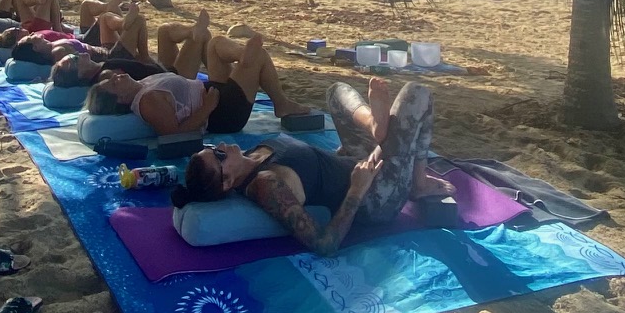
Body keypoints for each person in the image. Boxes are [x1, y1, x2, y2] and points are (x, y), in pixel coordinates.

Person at [171, 77, 451, 255]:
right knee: (417, 93)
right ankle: (417, 182)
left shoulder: (249, 156)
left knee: (336, 92)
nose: (220, 147)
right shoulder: (266, 185)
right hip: (376, 194)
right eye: (219, 157)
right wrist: (356, 190)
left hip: (353, 162)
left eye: (213, 148)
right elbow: (324, 244)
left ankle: (375, 126)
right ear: (228, 182)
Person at [90, 30, 285, 135]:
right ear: (121, 100)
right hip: (224, 113)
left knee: (215, 44)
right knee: (258, 55)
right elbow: (174, 133)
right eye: (113, 84)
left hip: (215, 92)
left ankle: (244, 57)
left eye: (112, 79)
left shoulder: (143, 84)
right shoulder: (147, 101)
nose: (115, 77)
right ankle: (280, 102)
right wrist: (207, 107)